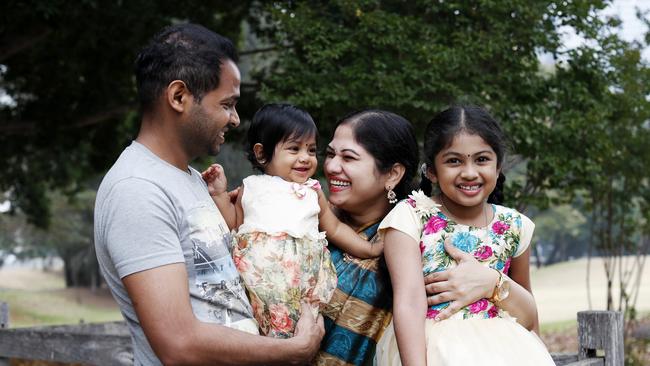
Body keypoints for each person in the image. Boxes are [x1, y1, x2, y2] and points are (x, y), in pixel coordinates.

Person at [94, 24, 323, 365]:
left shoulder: (192, 181)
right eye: (227, 104)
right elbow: (178, 343)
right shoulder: (138, 190)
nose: (235, 119)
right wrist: (295, 349)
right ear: (179, 97)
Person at [375, 105, 554, 365]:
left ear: (498, 165)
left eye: (481, 159)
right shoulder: (411, 217)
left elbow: (528, 317)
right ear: (432, 170)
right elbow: (410, 304)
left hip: (507, 353)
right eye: (454, 161)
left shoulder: (515, 225)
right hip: (433, 352)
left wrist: (493, 282)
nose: (469, 172)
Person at [203, 103, 380, 339]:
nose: (305, 158)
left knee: (300, 332)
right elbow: (234, 224)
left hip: (301, 286)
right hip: (256, 282)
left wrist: (367, 248)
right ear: (261, 153)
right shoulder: (252, 187)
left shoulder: (312, 191)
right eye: (294, 149)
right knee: (257, 332)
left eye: (311, 150)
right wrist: (219, 194)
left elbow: (335, 228)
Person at [313, 109, 420, 365]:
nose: (331, 166)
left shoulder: (415, 239)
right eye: (330, 154)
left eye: (348, 158)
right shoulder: (305, 220)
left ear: (393, 174)